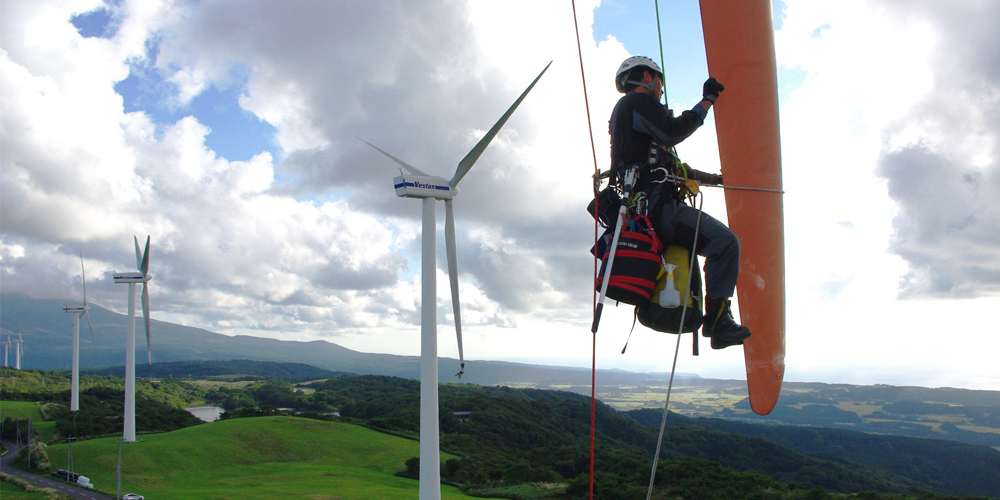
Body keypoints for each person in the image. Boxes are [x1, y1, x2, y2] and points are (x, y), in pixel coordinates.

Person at [608, 55, 750, 350]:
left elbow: (676, 169)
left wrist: (717, 179)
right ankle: (719, 322)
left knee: (720, 245)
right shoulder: (638, 102)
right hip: (660, 210)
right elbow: (673, 130)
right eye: (659, 82)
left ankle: (717, 321)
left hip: (647, 210)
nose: (660, 90)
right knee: (724, 244)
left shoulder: (630, 119)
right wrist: (707, 102)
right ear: (648, 76)